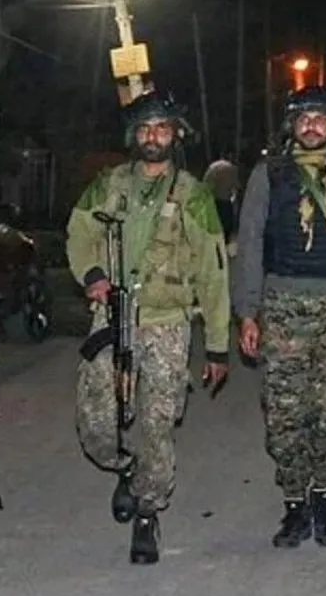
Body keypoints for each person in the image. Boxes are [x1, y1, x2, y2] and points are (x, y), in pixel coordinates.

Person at [66, 89, 231, 565]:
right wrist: (92, 275)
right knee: (97, 424)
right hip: (111, 318)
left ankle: (147, 510)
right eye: (145, 128)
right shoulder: (109, 184)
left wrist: (217, 347)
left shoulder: (194, 195)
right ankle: (127, 466)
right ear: (133, 135)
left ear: (175, 135)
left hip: (167, 324)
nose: (153, 136)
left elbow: (213, 272)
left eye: (162, 127)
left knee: (157, 424)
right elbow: (79, 233)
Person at [232, 85, 326, 549]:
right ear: (291, 126)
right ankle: (295, 504)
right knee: (284, 416)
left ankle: (324, 496)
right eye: (303, 118)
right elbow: (250, 244)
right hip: (281, 307)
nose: (312, 125)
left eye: (321, 118)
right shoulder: (268, 176)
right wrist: (247, 311)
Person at [203, 151, 241, 254]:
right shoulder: (232, 168)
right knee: (226, 226)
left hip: (213, 201)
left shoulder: (213, 166)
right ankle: (224, 247)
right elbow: (236, 185)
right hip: (225, 201)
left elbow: (206, 183)